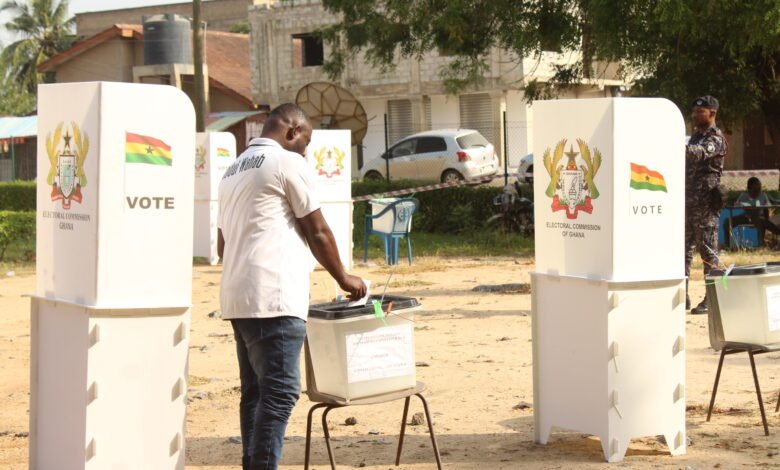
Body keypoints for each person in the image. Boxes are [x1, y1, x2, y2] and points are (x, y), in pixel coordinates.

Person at [217, 103, 367, 470]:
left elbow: (222, 244)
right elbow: (317, 229)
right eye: (307, 140)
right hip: (274, 296)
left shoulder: (233, 170)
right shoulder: (286, 162)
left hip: (238, 296)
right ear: (292, 131)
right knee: (281, 392)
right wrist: (346, 278)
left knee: (255, 393)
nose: (307, 149)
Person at [685, 95, 728, 315]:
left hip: (705, 206)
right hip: (688, 204)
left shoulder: (715, 138)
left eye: (699, 112)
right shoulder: (694, 137)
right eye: (693, 111)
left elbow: (697, 154)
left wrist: (671, 142)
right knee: (682, 252)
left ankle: (713, 298)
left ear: (712, 113)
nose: (694, 115)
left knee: (708, 252)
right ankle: (681, 295)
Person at [726, 176, 780, 246]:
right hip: (746, 218)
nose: (758, 190)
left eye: (759, 187)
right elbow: (736, 206)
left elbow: (767, 207)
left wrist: (766, 216)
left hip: (759, 218)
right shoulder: (744, 196)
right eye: (755, 188)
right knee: (727, 222)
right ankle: (727, 245)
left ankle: (761, 244)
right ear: (749, 188)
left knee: (761, 222)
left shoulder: (763, 195)